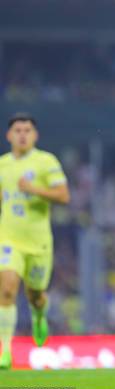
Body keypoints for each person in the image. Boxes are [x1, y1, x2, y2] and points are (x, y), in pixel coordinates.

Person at [0, 113, 70, 369]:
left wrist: (33, 189)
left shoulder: (45, 162)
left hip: (38, 243)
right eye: (17, 130)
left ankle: (39, 314)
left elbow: (63, 195)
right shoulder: (2, 165)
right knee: (6, 289)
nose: (22, 134)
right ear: (8, 135)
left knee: (36, 295)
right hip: (8, 239)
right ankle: (5, 351)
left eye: (27, 130)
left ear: (35, 135)